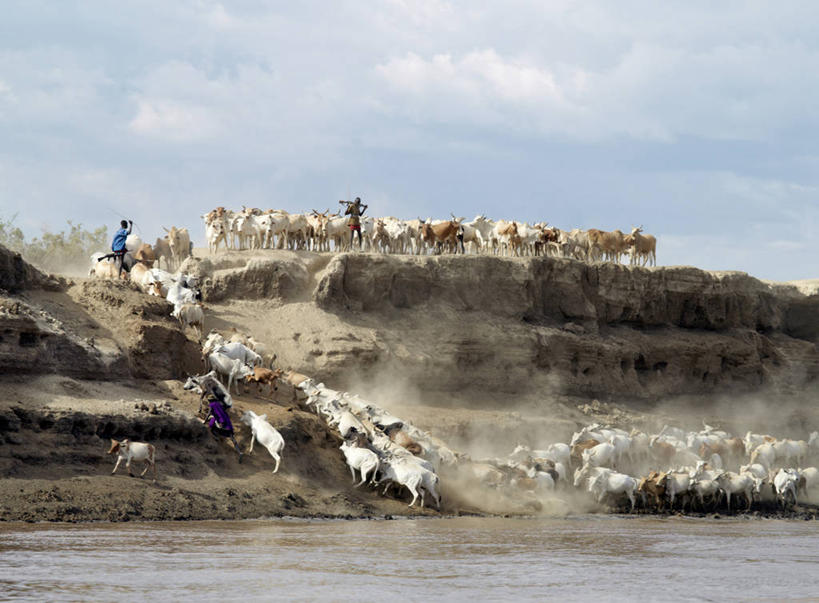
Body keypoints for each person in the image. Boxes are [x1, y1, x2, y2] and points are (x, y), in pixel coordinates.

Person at [202, 387, 243, 461]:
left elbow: (209, 414)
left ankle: (216, 439)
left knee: (211, 427)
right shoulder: (219, 404)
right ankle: (239, 451)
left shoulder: (212, 405)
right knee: (231, 437)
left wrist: (205, 421)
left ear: (210, 400)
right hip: (227, 421)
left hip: (220, 421)